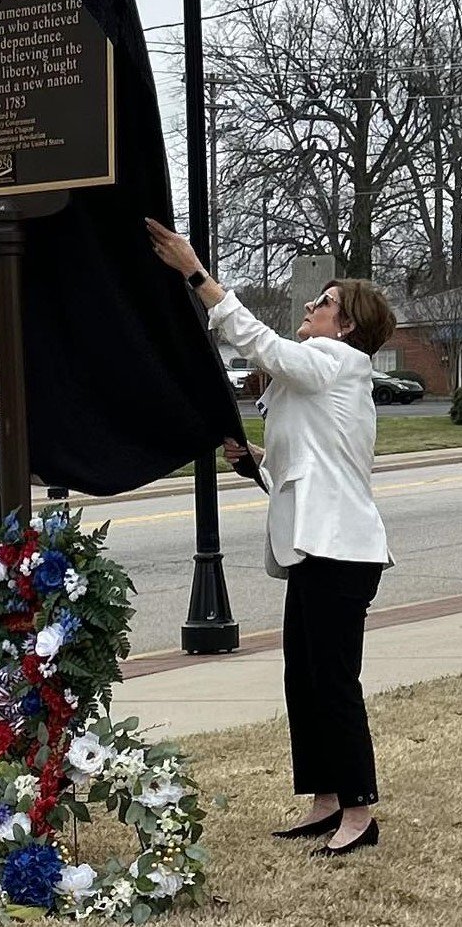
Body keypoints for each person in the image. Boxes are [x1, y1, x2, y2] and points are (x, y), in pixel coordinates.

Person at [146, 217, 396, 858]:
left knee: (333, 679)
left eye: (325, 303)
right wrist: (250, 457)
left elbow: (259, 344)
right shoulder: (315, 380)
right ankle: (324, 799)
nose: (312, 306)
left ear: (346, 325)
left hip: (342, 552)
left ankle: (359, 810)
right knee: (303, 677)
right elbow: (302, 469)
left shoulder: (338, 362)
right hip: (316, 548)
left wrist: (195, 273)